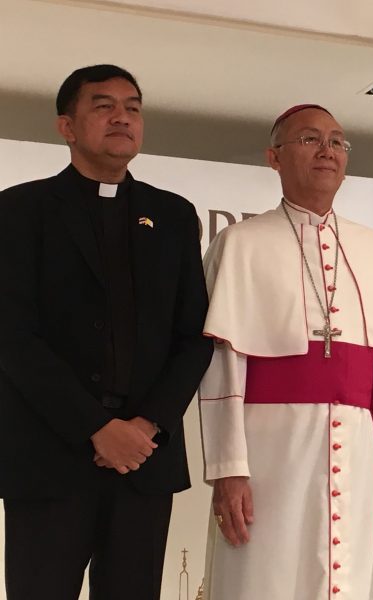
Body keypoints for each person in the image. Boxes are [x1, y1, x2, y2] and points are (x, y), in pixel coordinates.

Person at [199, 104, 373, 600]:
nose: (327, 150)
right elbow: (222, 367)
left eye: (337, 141)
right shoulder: (238, 243)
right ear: (274, 157)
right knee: (263, 575)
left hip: (359, 449)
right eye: (309, 139)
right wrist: (228, 469)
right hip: (267, 450)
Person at [0, 64, 213, 600]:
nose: (122, 117)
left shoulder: (173, 215)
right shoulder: (18, 211)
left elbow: (194, 336)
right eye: (103, 105)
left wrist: (146, 426)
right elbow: (12, 335)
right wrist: (96, 427)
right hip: (49, 457)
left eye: (133, 107)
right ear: (66, 127)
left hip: (145, 458)